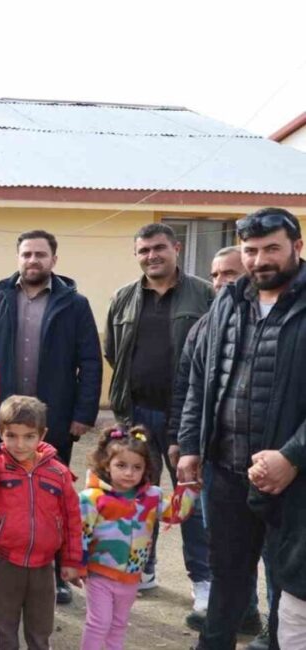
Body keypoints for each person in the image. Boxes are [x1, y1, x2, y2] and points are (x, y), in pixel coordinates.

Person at [177, 208, 306, 650]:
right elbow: (201, 378)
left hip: (294, 482)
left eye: (272, 248)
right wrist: (192, 444)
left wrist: (293, 456)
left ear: (298, 247)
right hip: (225, 471)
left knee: (285, 584)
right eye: (250, 250)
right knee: (227, 574)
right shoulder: (228, 302)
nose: (259, 260)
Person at [0, 229, 103, 603]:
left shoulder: (74, 304)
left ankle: (56, 570)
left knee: (53, 494)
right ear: (18, 258)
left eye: (40, 255)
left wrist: (83, 413)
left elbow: (90, 361)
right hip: (6, 419)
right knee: (0, 491)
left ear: (54, 260)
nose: (33, 261)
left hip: (55, 417)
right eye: (26, 254)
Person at [104, 223, 213, 603]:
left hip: (186, 417)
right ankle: (142, 567)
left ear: (176, 248)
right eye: (144, 250)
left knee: (190, 499)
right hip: (136, 415)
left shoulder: (204, 294)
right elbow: (113, 352)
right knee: (137, 495)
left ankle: (202, 581)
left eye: (159, 248)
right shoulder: (123, 297)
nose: (152, 255)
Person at [167, 246, 265, 639]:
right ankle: (242, 618)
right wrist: (184, 442)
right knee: (227, 554)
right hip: (218, 461)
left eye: (229, 273)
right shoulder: (206, 325)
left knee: (275, 559)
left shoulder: (278, 321)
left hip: (271, 466)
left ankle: (273, 631)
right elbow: (188, 389)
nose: (220, 281)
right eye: (214, 274)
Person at [0, 395, 83, 650]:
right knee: (4, 628)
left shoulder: (58, 472)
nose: (19, 443)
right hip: (4, 562)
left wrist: (71, 561)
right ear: (0, 432)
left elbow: (72, 519)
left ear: (42, 434)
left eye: (28, 436)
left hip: (43, 564)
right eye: (11, 435)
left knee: (40, 629)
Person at [79, 425, 197, 650]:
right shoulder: (92, 498)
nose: (129, 473)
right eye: (121, 465)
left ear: (145, 469)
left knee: (119, 624)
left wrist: (189, 486)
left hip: (132, 576)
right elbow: (80, 533)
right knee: (98, 623)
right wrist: (76, 564)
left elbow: (175, 513)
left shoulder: (151, 497)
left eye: (136, 467)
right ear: (106, 464)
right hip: (99, 574)